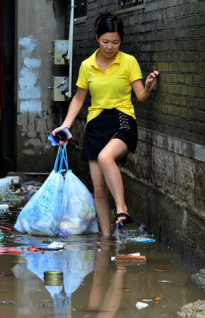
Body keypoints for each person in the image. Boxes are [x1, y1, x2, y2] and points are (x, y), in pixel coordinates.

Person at [53, 12, 159, 237]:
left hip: (122, 120)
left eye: (116, 42)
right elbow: (80, 98)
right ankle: (106, 239)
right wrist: (65, 126)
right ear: (96, 38)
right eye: (105, 41)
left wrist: (149, 86)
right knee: (99, 189)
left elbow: (140, 96)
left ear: (121, 40)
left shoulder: (128, 61)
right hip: (96, 124)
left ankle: (122, 208)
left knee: (105, 157)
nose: (111, 47)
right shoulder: (86, 66)